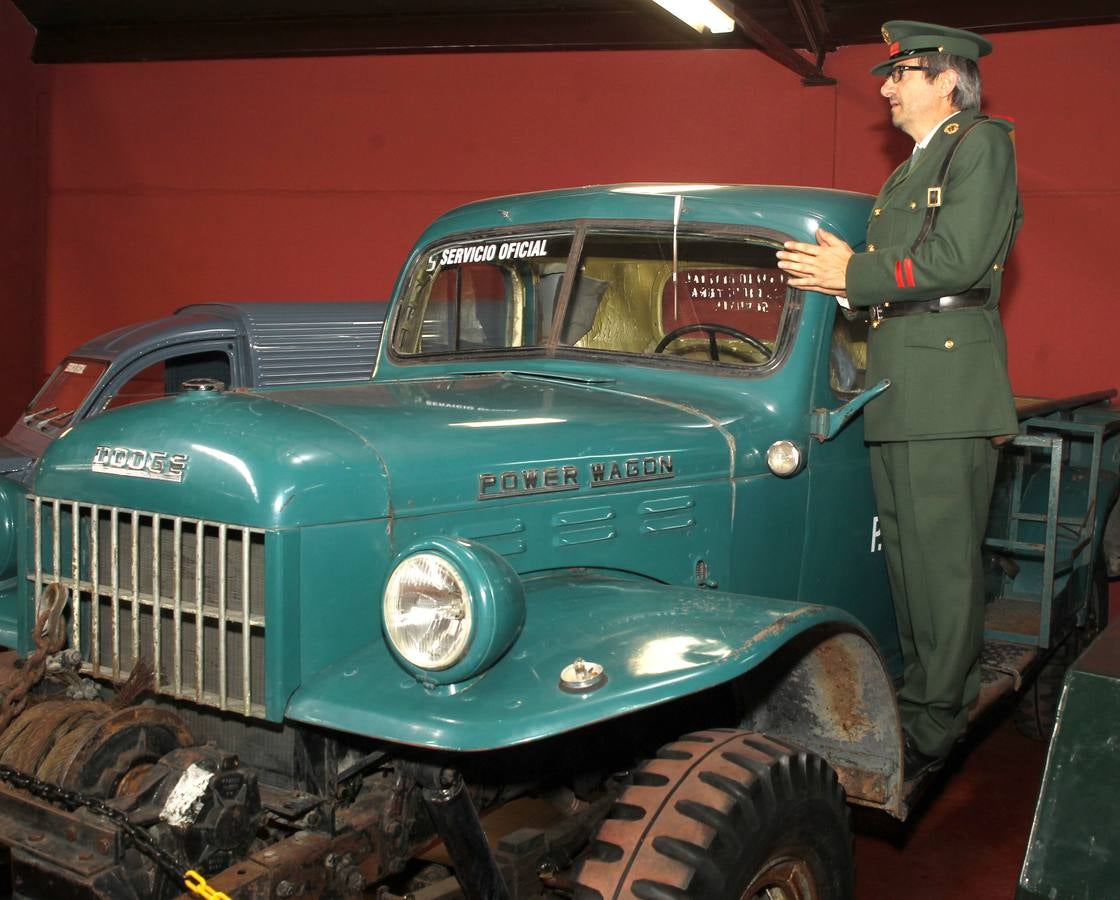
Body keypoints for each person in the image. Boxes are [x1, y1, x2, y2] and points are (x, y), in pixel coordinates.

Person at [775, 20, 1021, 781]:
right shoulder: (913, 167)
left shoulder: (979, 144)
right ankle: (920, 700)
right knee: (910, 567)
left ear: (947, 79)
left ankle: (937, 723)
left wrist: (852, 274)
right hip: (902, 384)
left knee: (943, 570)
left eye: (900, 73)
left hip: (946, 387)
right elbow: (891, 275)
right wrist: (841, 283)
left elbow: (957, 259)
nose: (885, 87)